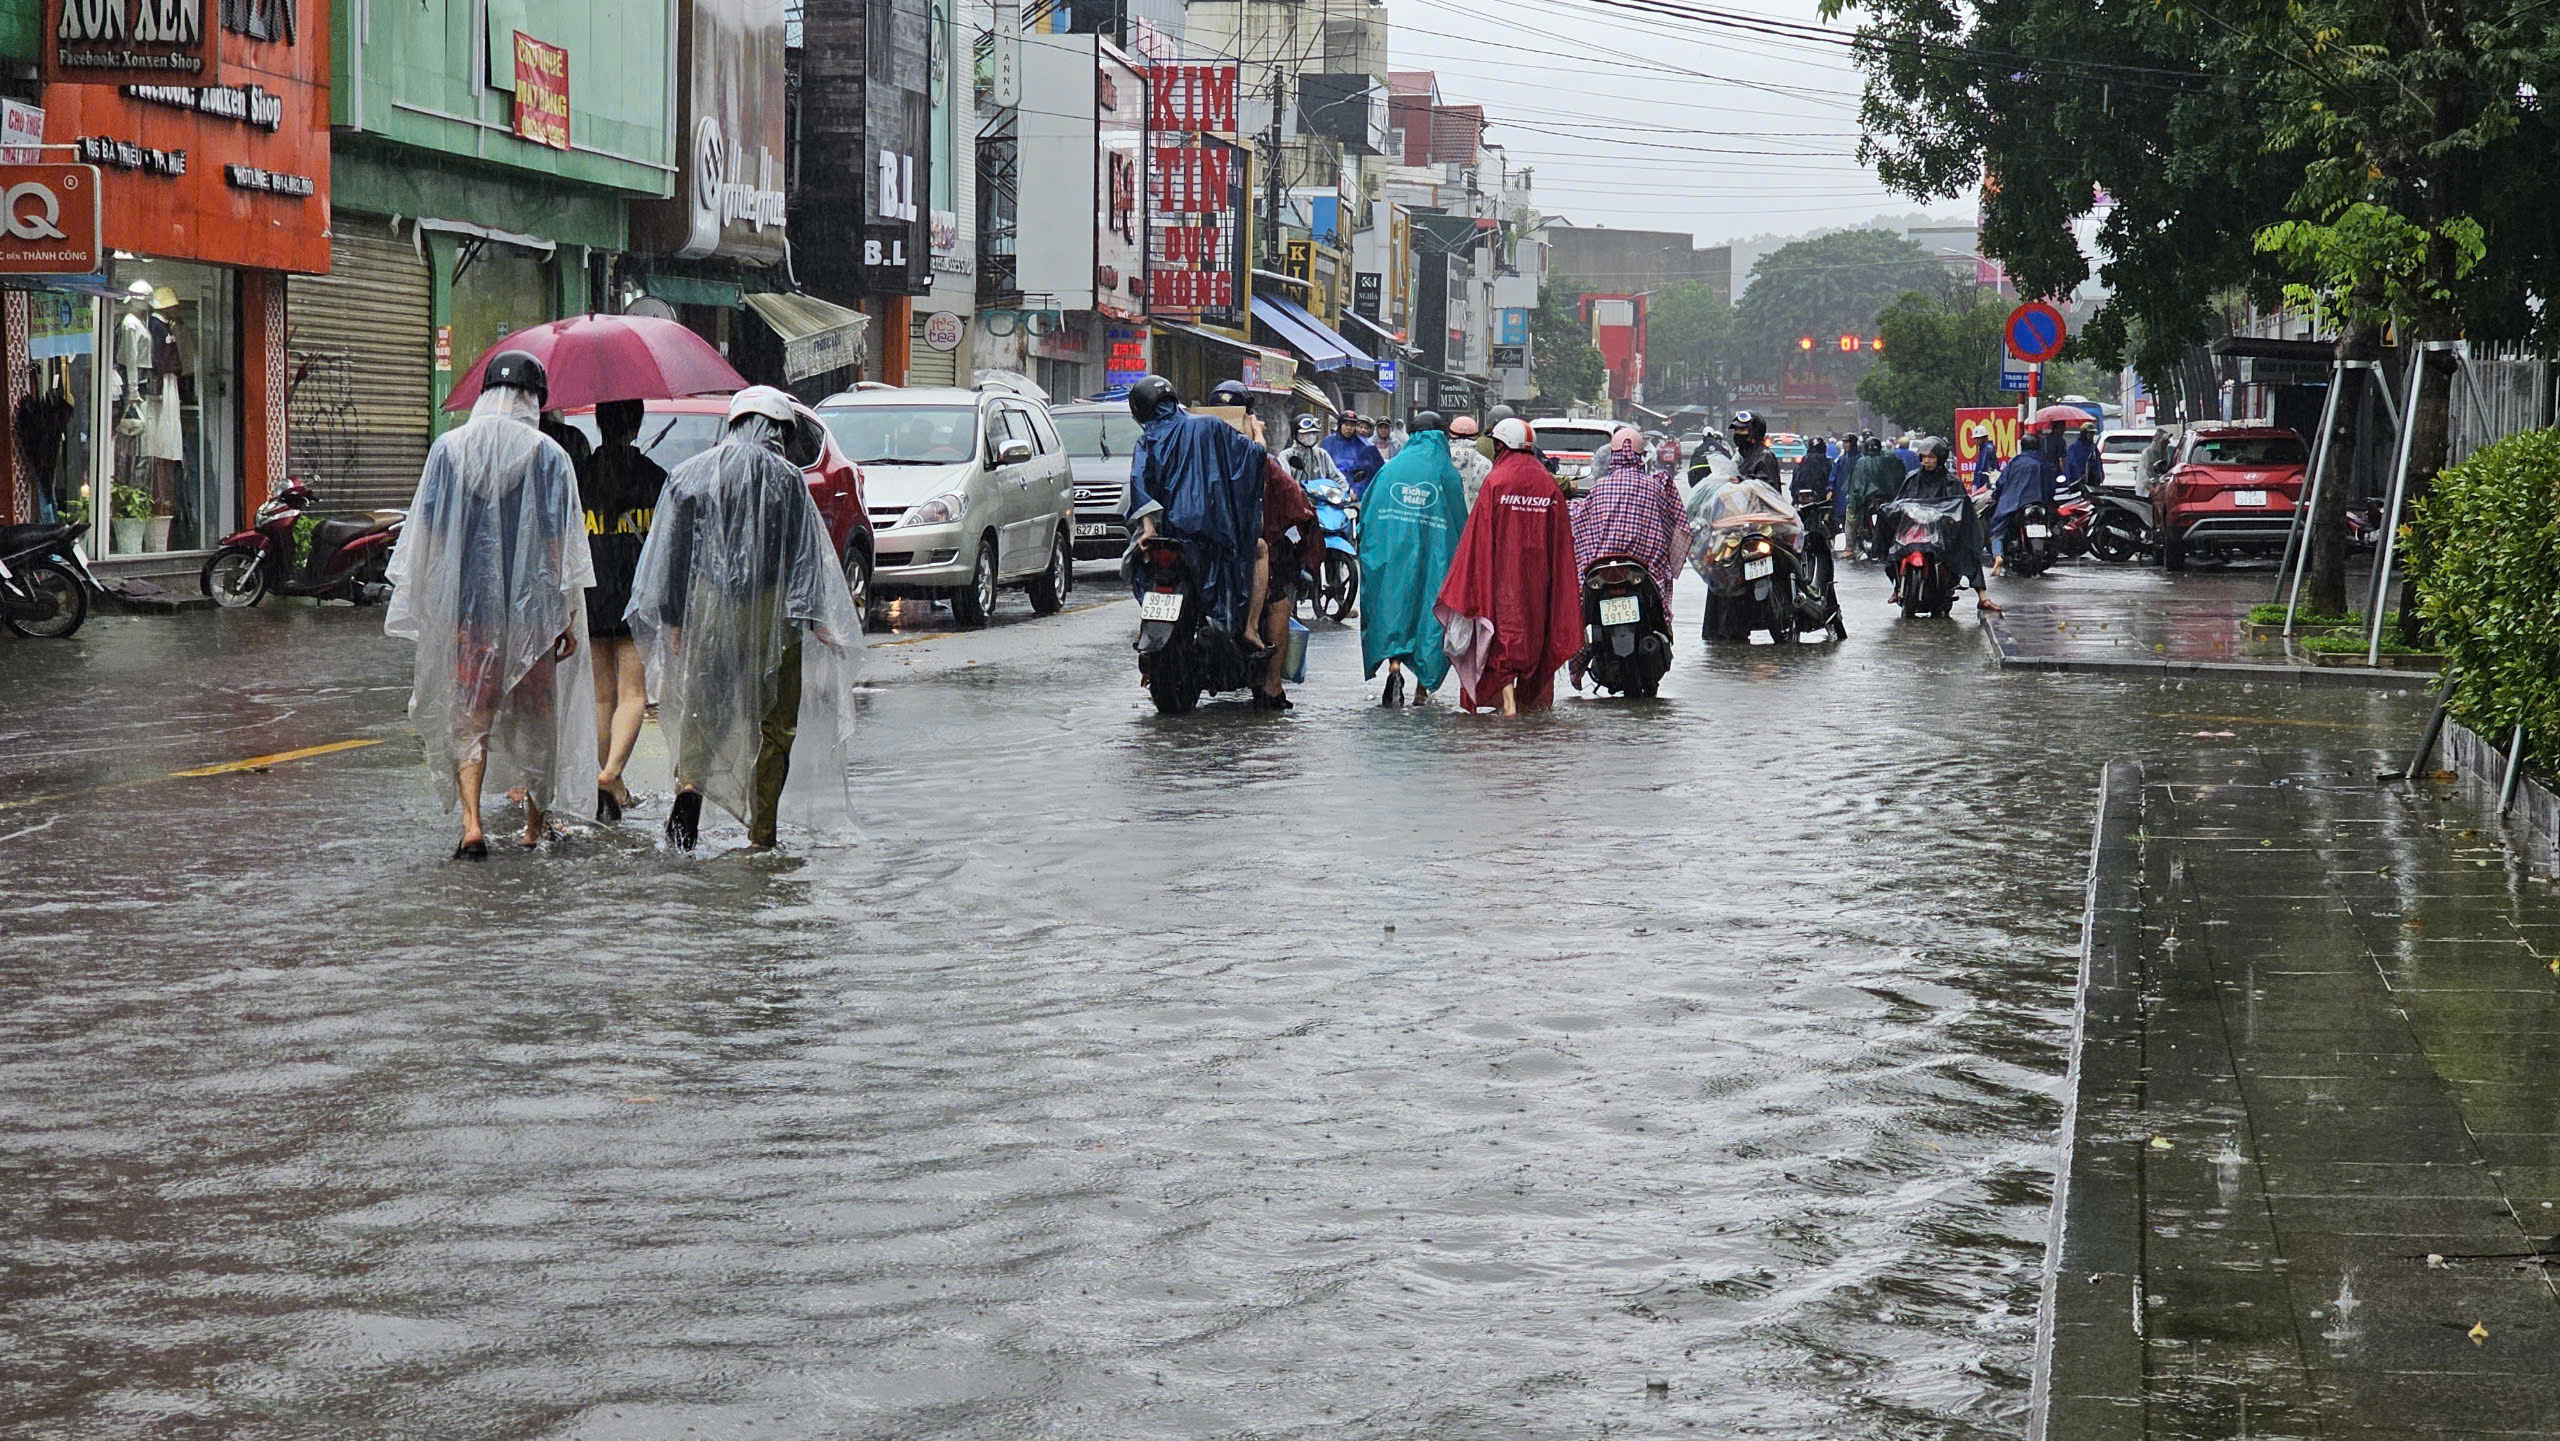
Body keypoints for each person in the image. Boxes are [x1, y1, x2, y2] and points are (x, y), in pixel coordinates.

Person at [629, 387, 863, 852]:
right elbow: (803, 558)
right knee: (775, 724)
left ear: (735, 423)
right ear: (776, 429)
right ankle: (762, 835)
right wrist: (816, 619)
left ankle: (691, 787)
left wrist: (674, 619)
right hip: (772, 612)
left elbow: (673, 554)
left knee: (704, 708)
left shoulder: (689, 475)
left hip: (707, 607)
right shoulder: (788, 479)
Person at [384, 350, 596, 861]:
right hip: (531, 618)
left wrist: (433, 606)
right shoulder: (551, 458)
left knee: (471, 717)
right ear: (535, 400)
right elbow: (559, 547)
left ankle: (472, 824)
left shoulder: (448, 451)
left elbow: (428, 539)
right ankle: (532, 827)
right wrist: (565, 616)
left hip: (469, 619)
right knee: (537, 720)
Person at [1434, 417, 1581, 714]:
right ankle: (1521, 706)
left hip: (1500, 577)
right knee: (1535, 635)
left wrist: (1469, 579)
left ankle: (1509, 704)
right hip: (1540, 581)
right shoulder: (1548, 485)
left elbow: (1478, 537)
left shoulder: (1497, 481)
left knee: (1502, 638)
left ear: (1502, 444)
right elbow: (1562, 543)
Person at [1126, 375, 1265, 644]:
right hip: (1212, 532)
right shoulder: (1211, 426)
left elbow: (1138, 482)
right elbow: (1254, 458)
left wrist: (1148, 529)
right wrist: (1258, 432)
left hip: (1169, 537)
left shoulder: (1147, 441)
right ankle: (1250, 629)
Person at [580, 398, 667, 823]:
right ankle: (611, 774)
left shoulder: (579, 477)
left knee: (602, 697)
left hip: (592, 595)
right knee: (634, 694)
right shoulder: (655, 478)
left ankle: (613, 787)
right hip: (636, 596)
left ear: (598, 423)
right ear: (637, 423)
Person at [1358, 410, 1471, 706]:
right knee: (1427, 616)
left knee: (1394, 610)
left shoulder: (1390, 469)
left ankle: (1394, 668)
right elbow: (1460, 523)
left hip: (1392, 555)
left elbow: (1367, 514)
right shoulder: (1446, 474)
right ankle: (1422, 688)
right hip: (1434, 558)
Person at [1570, 428, 1690, 686]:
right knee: (1658, 614)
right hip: (1643, 570)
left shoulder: (1600, 488)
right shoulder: (1655, 487)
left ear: (1612, 456)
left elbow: (1580, 524)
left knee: (1580, 615)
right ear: (1641, 455)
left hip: (1600, 570)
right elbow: (1673, 525)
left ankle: (1577, 666)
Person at [1893, 436, 2001, 612]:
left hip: (1943, 532)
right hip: (1916, 530)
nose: (1927, 461)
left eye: (1932, 457)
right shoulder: (1912, 479)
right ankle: (1897, 587)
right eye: (1924, 457)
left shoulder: (1952, 482)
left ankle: (1982, 596)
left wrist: (1951, 520)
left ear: (1940, 458)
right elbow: (1900, 501)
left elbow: (1961, 507)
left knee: (1969, 549)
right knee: (1895, 548)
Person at [1985, 426, 2056, 577]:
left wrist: (1996, 495)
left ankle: (1998, 556)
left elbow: (2002, 482)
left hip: (2015, 503)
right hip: (2041, 503)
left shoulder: (2016, 462)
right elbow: (2052, 484)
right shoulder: (2044, 462)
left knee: (1998, 529)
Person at [1845, 434, 1902, 558]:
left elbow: (1855, 486)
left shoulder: (1861, 462)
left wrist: (1854, 500)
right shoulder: (1889, 461)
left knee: (1851, 516)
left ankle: (1849, 547)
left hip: (1867, 500)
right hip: (1884, 499)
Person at [1321, 411, 1385, 498]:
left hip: (1355, 495)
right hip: (1331, 492)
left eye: (1352, 425)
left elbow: (1377, 472)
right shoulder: (1328, 442)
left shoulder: (1365, 446)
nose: (1349, 428)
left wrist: (1357, 490)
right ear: (1340, 425)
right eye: (1346, 424)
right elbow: (1321, 469)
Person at [1280, 413, 1344, 487]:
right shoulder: (1286, 456)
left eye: (1314, 433)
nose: (1311, 436)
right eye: (1306, 433)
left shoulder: (1322, 454)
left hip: (1321, 496)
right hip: (1296, 496)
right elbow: (1284, 480)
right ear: (1295, 434)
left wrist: (1347, 490)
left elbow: (1337, 477)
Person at [1447, 414, 1493, 505]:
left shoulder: (1443, 458)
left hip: (1450, 515)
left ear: (1450, 434)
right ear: (1476, 435)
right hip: (1475, 515)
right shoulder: (1485, 463)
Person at [1729, 411, 1782, 489]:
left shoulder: (1764, 456)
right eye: (1736, 430)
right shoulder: (1744, 455)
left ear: (1754, 432)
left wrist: (1742, 480)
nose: (1738, 433)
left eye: (1742, 429)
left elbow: (1766, 485)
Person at [2063, 423, 2101, 494]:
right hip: (2077, 483)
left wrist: (2099, 476)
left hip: (2092, 483)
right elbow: (2071, 465)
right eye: (2090, 433)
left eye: (2093, 433)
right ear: (2084, 433)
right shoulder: (2074, 448)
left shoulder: (2093, 448)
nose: (2092, 436)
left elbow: (2098, 463)